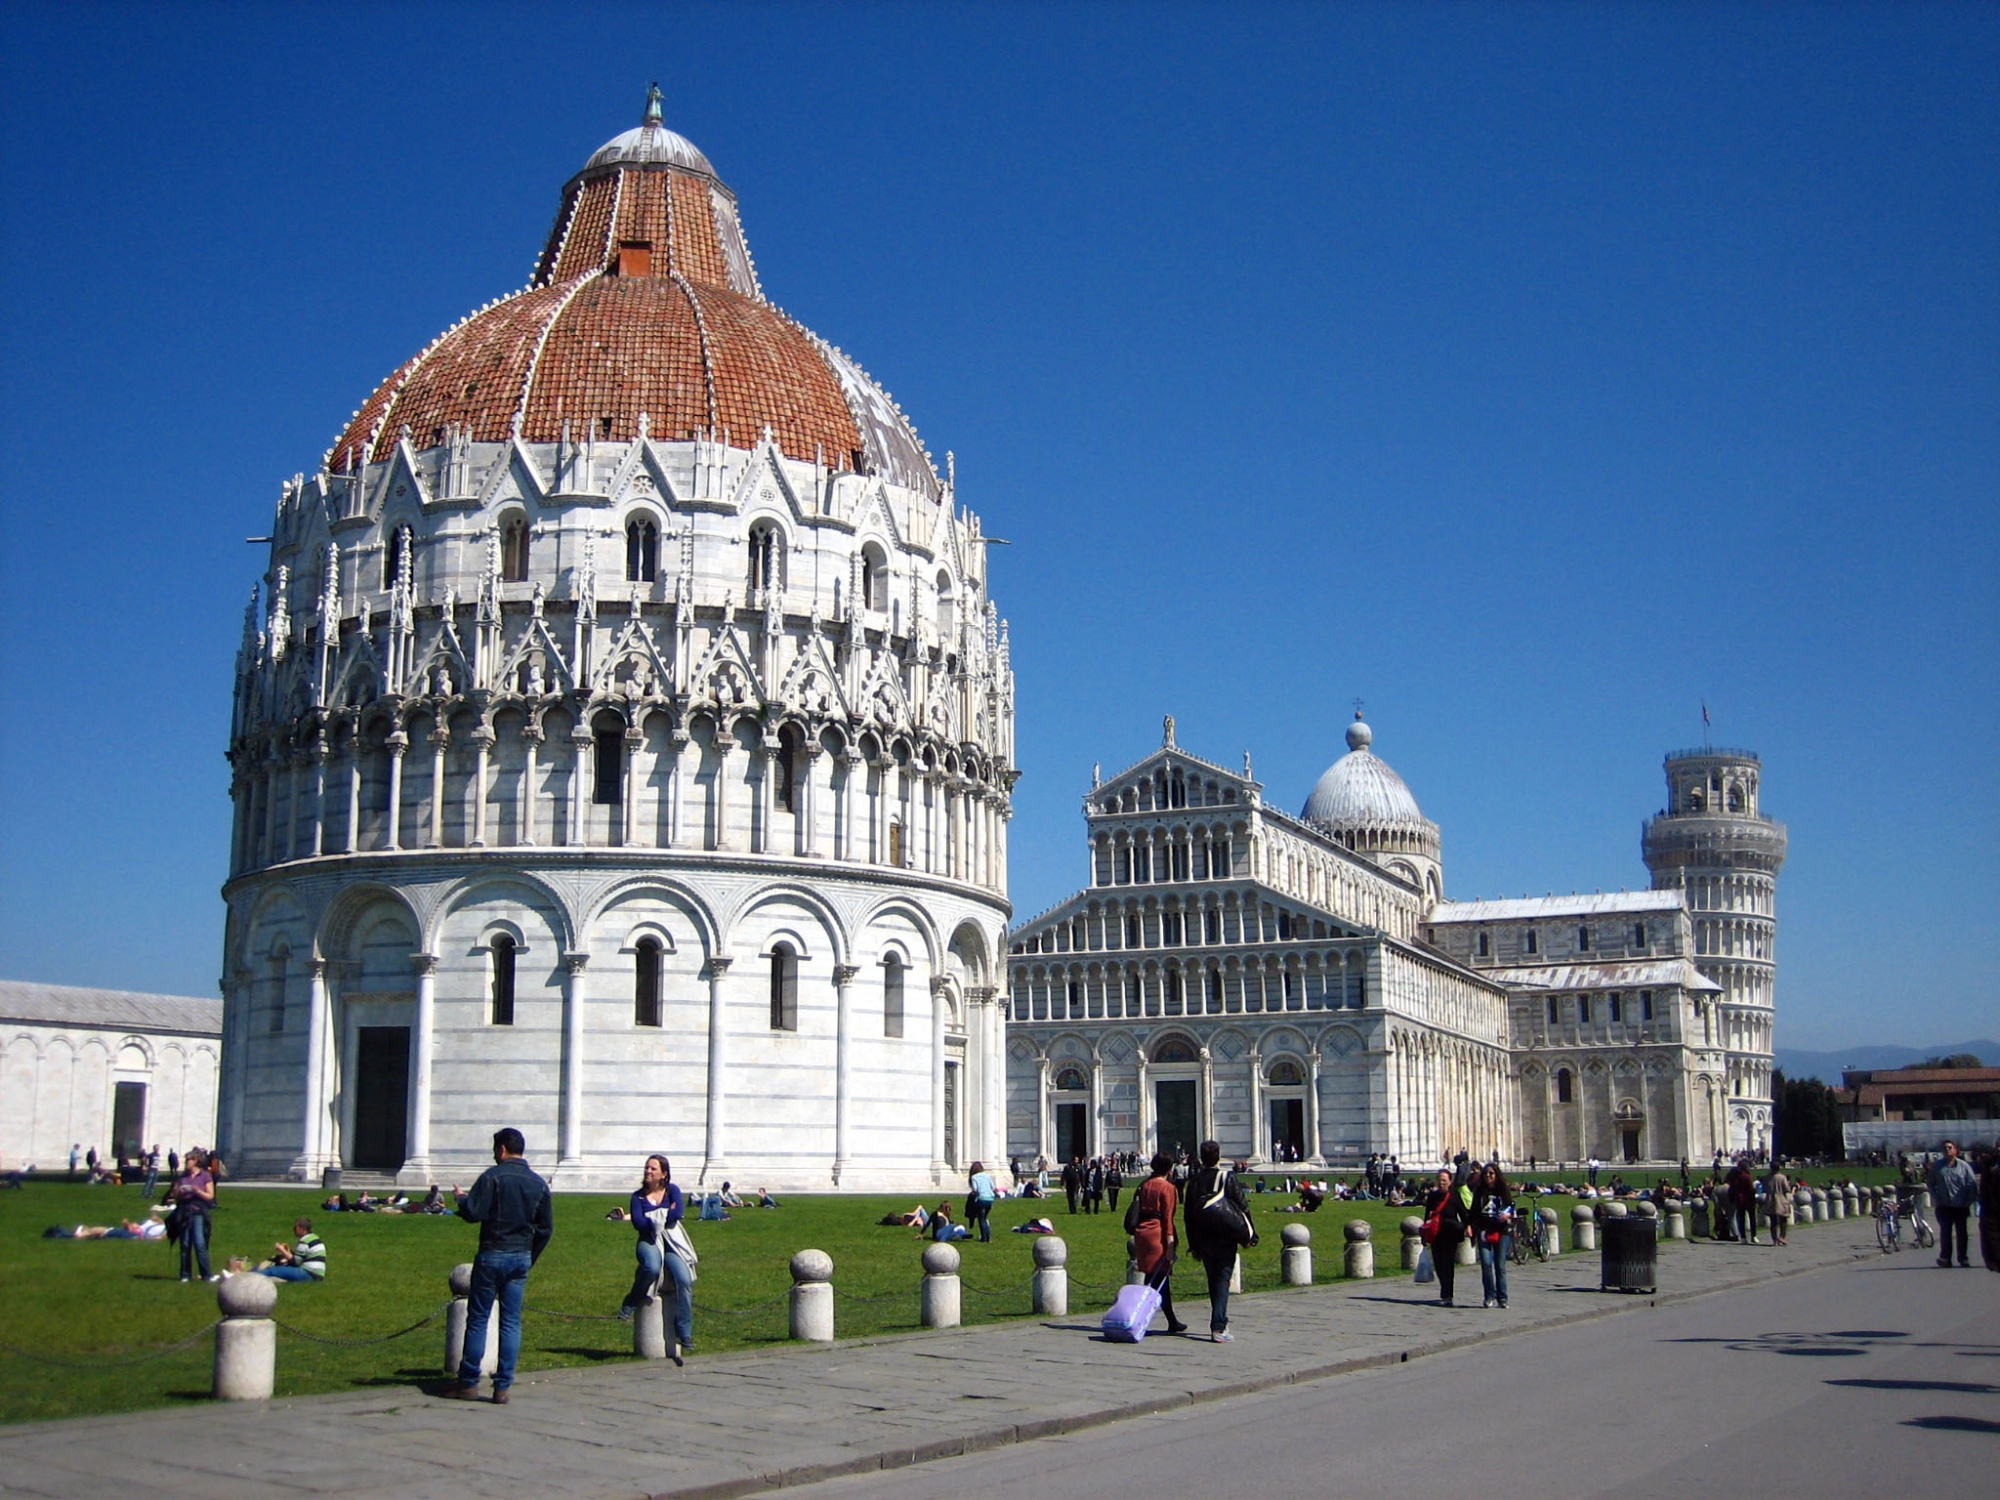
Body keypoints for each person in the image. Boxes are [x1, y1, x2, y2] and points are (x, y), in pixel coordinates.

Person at [445, 1127, 553, 1404]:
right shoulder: (538, 1184)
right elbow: (545, 1229)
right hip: (520, 1257)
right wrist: (530, 1256)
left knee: (479, 1319)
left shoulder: (492, 1177)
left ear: (502, 1149)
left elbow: (474, 1212)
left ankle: (468, 1381)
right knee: (511, 1322)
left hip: (492, 1253)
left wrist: (460, 1199)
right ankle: (503, 1385)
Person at [618, 1153, 692, 1363]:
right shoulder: (637, 1197)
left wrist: (655, 1217)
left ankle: (684, 1330)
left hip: (671, 1242)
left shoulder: (673, 1190)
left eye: (653, 1169)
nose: (648, 1171)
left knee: (683, 1279)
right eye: (647, 1168)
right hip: (648, 1240)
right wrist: (663, 1215)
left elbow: (676, 1216)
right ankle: (631, 1300)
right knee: (651, 1267)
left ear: (663, 1174)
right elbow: (639, 1224)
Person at [1182, 1140, 1250, 1342]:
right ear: (1218, 1156)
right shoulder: (1227, 1177)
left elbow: (1188, 1216)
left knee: (1214, 1280)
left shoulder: (1194, 1181)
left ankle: (1220, 1320)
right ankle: (1218, 1327)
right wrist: (1249, 1236)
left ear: (1201, 1158)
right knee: (1222, 1279)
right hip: (1225, 1237)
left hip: (1203, 1238)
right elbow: (1242, 1207)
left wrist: (1193, 1245)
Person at [1126, 1151, 1189, 1335]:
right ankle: (1139, 1318)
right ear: (1169, 1169)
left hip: (1142, 1234)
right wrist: (1170, 1244)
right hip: (1157, 1235)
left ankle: (1171, 1321)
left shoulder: (1145, 1185)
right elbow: (1168, 1218)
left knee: (1155, 1280)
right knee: (1157, 1281)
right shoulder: (1167, 1188)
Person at [1423, 1166, 1474, 1308]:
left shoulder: (1454, 1196)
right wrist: (1424, 1233)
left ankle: (1447, 1294)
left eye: (1444, 1180)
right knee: (1439, 1265)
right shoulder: (1433, 1196)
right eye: (1440, 1180)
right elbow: (1427, 1214)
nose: (1442, 1183)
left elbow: (1464, 1213)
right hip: (1436, 1234)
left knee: (1448, 1265)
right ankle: (1444, 1289)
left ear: (1450, 1182)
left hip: (1450, 1234)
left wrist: (1467, 1226)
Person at [168, 1148, 217, 1283]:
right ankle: (185, 1274)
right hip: (184, 1212)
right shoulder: (183, 1177)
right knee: (185, 1244)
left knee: (200, 1243)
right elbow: (174, 1197)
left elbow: (210, 1196)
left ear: (196, 1161)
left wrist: (196, 1191)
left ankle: (206, 1274)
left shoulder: (205, 1176)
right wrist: (178, 1192)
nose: (186, 1162)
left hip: (198, 1212)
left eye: (188, 1160)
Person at [1469, 1162, 1514, 1309]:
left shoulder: (1503, 1191)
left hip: (1502, 1231)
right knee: (1486, 1265)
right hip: (1484, 1231)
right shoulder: (1479, 1192)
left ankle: (1503, 1298)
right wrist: (1470, 1226)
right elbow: (1473, 1211)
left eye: (1491, 1173)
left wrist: (1508, 1214)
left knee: (1500, 1266)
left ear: (1496, 1175)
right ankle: (1489, 1295)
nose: (1488, 1176)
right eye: (1486, 1173)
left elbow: (1511, 1206)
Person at [1927, 1140, 1977, 1269]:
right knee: (1945, 1233)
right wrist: (1935, 1198)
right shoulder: (1937, 1167)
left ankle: (1963, 1258)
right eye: (1944, 1148)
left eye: (1950, 1147)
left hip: (1961, 1205)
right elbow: (1930, 1184)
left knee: (1962, 1233)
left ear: (1956, 1150)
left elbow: (1971, 1184)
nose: (1947, 1150)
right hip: (1944, 1205)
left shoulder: (1964, 1167)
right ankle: (1945, 1258)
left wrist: (1969, 1201)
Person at [255, 1219, 327, 1281]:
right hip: (317, 1274)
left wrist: (281, 1250)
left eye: (296, 1228)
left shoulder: (304, 1241)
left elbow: (295, 1263)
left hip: (308, 1273)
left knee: (272, 1270)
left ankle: (251, 1277)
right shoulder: (314, 1238)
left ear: (303, 1229)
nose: (294, 1230)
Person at [1726, 1158, 1759, 1245]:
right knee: (1752, 1218)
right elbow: (1750, 1189)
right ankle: (1753, 1235)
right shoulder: (1747, 1177)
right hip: (1748, 1199)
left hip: (1739, 1199)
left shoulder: (1735, 1176)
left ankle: (1743, 1237)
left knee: (1741, 1219)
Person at [967, 1161, 997, 1243]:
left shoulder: (974, 1177)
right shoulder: (987, 1175)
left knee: (981, 1219)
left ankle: (984, 1238)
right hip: (990, 1198)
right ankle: (988, 1237)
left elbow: (975, 1189)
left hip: (981, 1199)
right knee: (984, 1218)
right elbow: (993, 1187)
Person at [1764, 1163, 1793, 1246]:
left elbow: (1765, 1188)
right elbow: (1787, 1189)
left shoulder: (1766, 1177)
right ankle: (1782, 1236)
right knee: (1783, 1219)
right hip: (1781, 1199)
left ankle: (1774, 1239)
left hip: (1770, 1199)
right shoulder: (1782, 1177)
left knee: (1773, 1221)